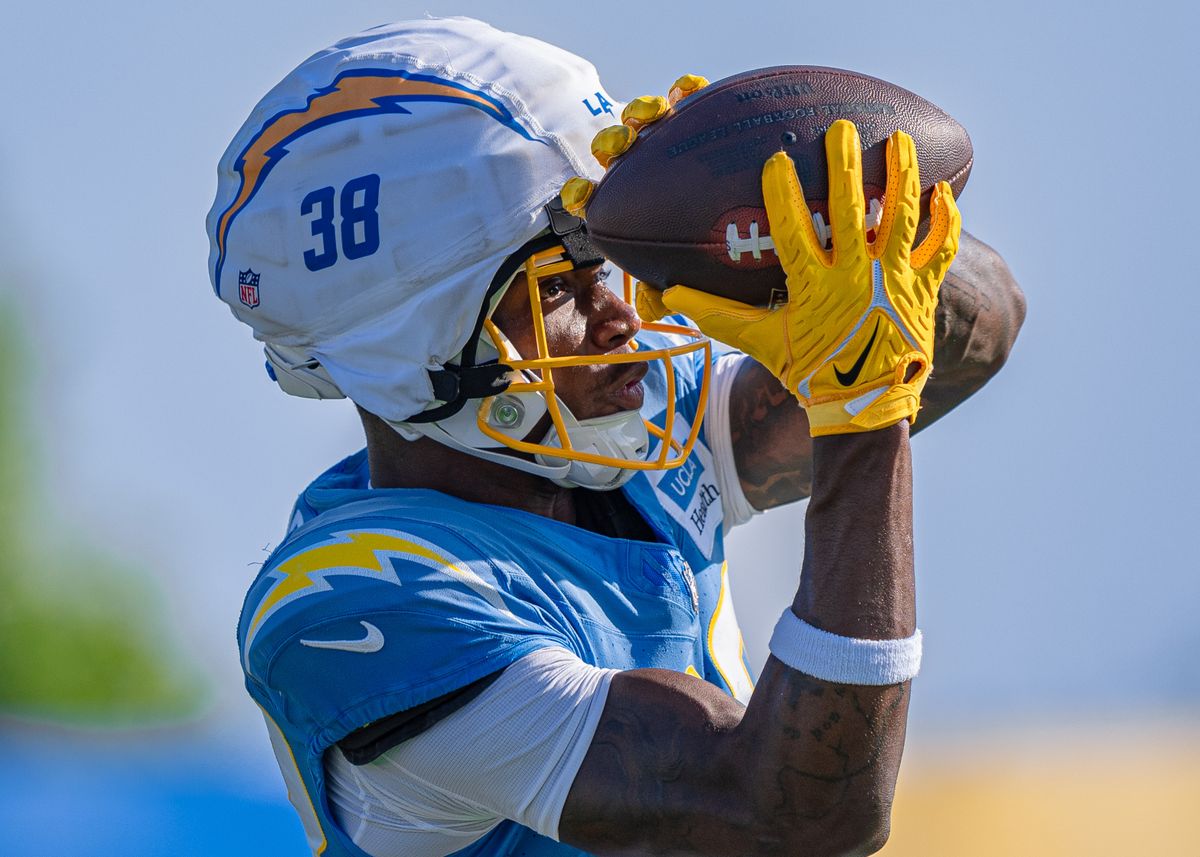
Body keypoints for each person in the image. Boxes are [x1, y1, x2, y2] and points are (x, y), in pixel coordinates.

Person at [207, 17, 1024, 857]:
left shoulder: (605, 422)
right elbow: (794, 818)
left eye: (607, 260)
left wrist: (804, 225)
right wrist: (860, 408)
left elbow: (981, 333)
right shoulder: (359, 601)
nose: (622, 315)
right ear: (415, 344)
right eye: (562, 284)